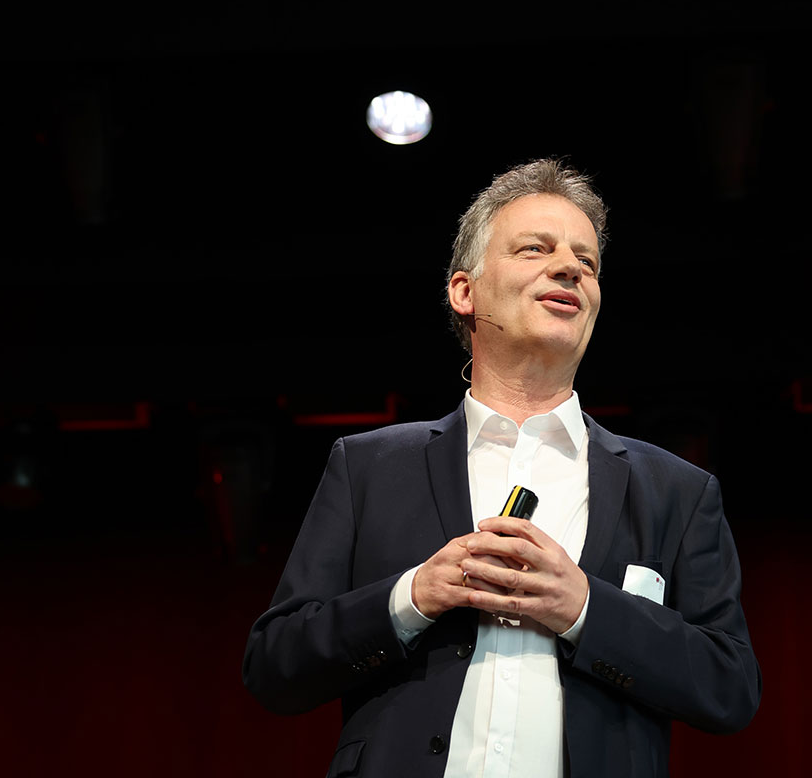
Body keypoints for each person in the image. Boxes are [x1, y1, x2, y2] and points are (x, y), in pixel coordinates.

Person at [243, 159, 761, 777]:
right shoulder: (369, 466)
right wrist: (414, 596)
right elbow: (275, 668)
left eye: (587, 262)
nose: (569, 267)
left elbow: (730, 688)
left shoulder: (678, 490)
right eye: (535, 249)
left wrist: (584, 609)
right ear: (465, 291)